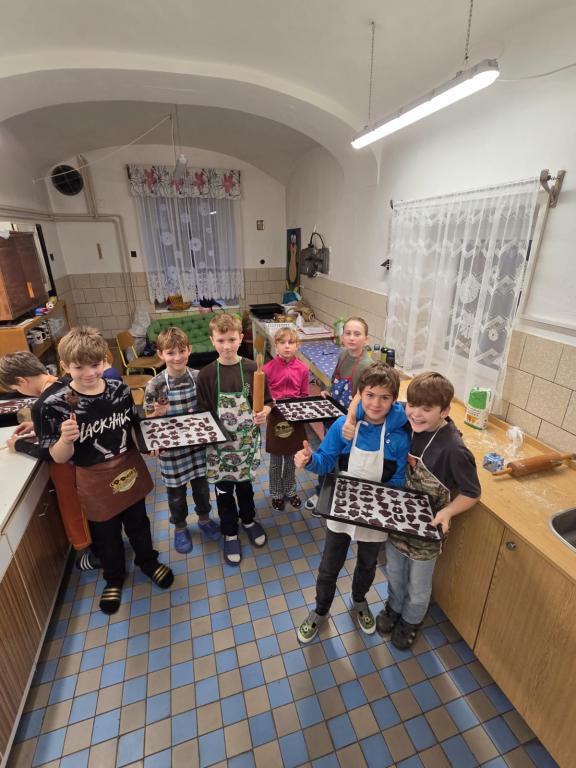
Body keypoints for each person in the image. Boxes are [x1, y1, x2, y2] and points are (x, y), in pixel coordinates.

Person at [36, 326, 174, 614]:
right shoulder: (54, 404)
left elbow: (132, 424)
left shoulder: (119, 389)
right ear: (65, 366)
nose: (89, 373)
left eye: (96, 364)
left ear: (105, 361)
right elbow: (58, 457)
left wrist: (152, 424)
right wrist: (65, 439)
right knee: (105, 532)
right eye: (79, 367)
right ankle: (113, 576)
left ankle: (147, 561)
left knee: (138, 522)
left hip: (127, 467)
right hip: (93, 476)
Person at [344, 370, 481, 649]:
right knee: (395, 572)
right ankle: (394, 607)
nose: (416, 414)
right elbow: (363, 396)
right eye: (412, 406)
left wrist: (447, 512)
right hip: (398, 520)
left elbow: (473, 493)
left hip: (427, 530)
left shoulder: (453, 449)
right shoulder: (408, 423)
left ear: (444, 411)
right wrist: (349, 419)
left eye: (427, 409)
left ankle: (411, 620)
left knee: (418, 585)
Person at [294, 363, 409, 643]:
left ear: (394, 399)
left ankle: (359, 601)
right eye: (370, 395)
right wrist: (309, 460)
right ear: (360, 395)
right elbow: (325, 462)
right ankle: (320, 611)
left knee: (367, 564)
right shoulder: (343, 427)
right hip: (341, 508)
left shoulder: (398, 437)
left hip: (376, 513)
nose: (376, 403)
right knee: (329, 565)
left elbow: (398, 480)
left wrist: (384, 507)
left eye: (384, 397)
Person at [0, 351, 103, 570]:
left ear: (21, 381)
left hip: (68, 467)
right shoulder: (66, 382)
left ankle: (93, 555)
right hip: (91, 460)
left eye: (17, 389)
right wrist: (36, 427)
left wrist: (19, 445)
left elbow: (49, 452)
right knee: (94, 507)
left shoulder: (41, 405)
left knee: (76, 509)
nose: (19, 392)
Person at [197, 313, 272, 566]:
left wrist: (264, 413)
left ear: (241, 338)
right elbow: (203, 413)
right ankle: (230, 531)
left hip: (246, 444)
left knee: (245, 487)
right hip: (219, 449)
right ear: (212, 340)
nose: (227, 346)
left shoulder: (253, 369)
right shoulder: (206, 375)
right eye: (221, 340)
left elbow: (268, 403)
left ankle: (248, 520)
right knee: (224, 492)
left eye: (231, 339)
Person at [144, 326, 220, 554]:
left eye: (181, 351)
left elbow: (209, 410)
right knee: (176, 496)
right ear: (161, 354)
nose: (177, 357)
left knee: (202, 489)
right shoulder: (155, 384)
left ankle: (204, 519)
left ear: (189, 350)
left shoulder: (199, 377)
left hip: (198, 447)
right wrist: (157, 412)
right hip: (172, 453)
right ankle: (180, 527)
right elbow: (149, 421)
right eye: (170, 353)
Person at [305, 316, 372, 514]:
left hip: (349, 421)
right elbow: (335, 379)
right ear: (342, 337)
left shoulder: (366, 365)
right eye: (348, 333)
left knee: (344, 460)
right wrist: (327, 390)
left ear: (366, 339)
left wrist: (350, 420)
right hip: (332, 413)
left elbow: (363, 398)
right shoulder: (342, 354)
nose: (351, 338)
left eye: (357, 334)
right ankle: (322, 491)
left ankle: (338, 496)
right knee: (327, 453)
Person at [263, 327, 310, 511]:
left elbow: (304, 395)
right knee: (276, 461)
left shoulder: (303, 369)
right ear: (276, 346)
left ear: (297, 345)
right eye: (282, 342)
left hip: (295, 419)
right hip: (276, 418)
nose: (287, 346)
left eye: (291, 342)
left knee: (291, 460)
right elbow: (264, 397)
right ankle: (276, 494)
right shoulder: (267, 369)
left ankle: (290, 491)